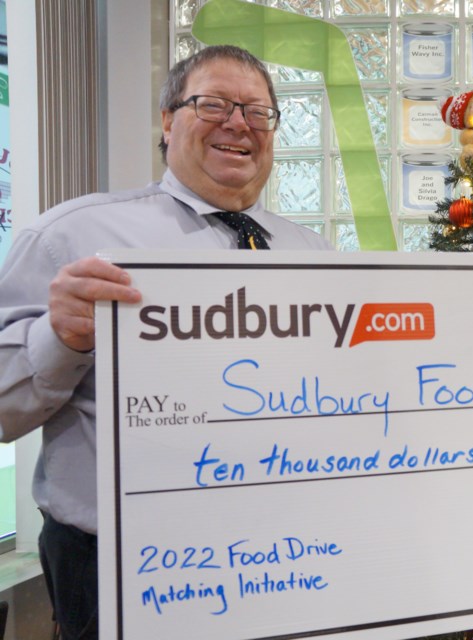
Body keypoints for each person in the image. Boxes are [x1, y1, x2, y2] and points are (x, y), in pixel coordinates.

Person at [0, 45, 330, 639]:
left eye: (257, 111)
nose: (238, 124)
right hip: (120, 565)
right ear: (167, 120)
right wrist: (59, 338)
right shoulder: (68, 237)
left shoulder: (313, 254)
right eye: (212, 104)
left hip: (282, 553)